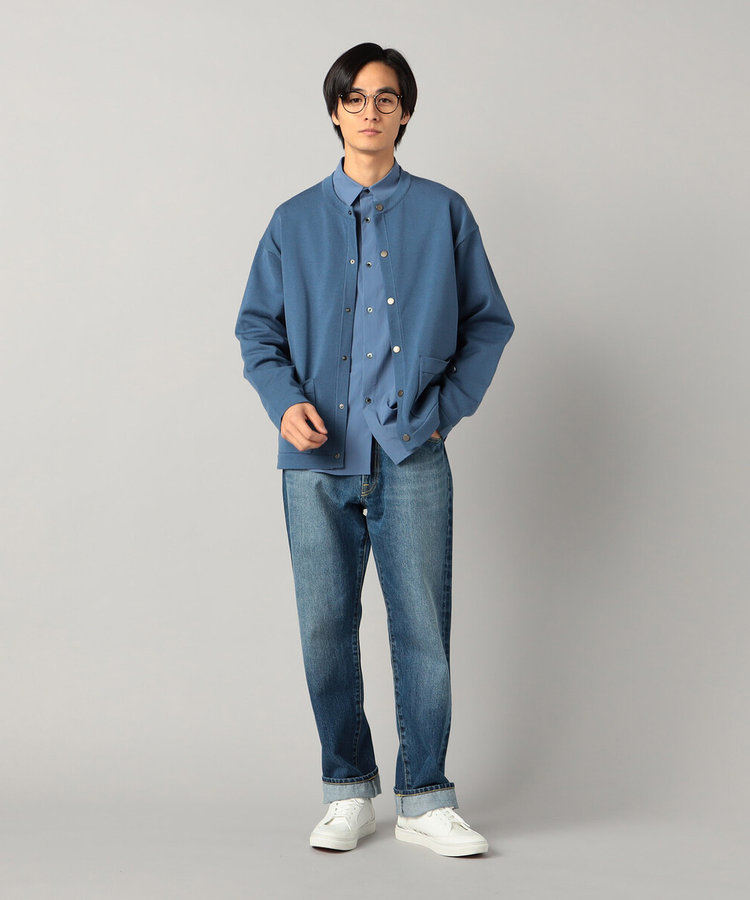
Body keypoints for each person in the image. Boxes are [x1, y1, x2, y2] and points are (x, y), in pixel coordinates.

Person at [235, 42, 514, 857]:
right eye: (355, 98)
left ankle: (425, 798)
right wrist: (284, 403)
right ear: (335, 111)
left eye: (385, 98)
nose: (370, 111)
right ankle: (348, 790)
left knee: (422, 627)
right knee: (325, 628)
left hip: (411, 455)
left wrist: (443, 413)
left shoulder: (443, 212)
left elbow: (488, 323)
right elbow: (257, 330)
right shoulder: (292, 221)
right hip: (317, 463)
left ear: (405, 112)